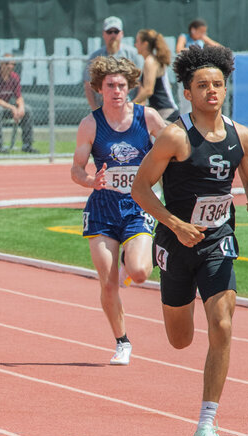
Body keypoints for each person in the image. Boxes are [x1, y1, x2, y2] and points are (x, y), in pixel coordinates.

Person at [131, 45, 248, 436]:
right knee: (180, 339)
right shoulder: (175, 135)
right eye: (203, 85)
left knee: (222, 323)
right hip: (176, 243)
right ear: (187, 92)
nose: (212, 90)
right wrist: (174, 223)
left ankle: (207, 423)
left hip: (218, 240)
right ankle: (179, 302)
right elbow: (141, 188)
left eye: (218, 84)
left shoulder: (241, 135)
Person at [70, 56, 166, 365]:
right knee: (107, 282)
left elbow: (175, 148)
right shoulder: (90, 124)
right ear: (100, 88)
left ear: (130, 87)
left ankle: (129, 262)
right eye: (110, 85)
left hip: (138, 205)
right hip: (103, 207)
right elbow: (76, 168)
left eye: (122, 85)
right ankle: (122, 341)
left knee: (138, 272)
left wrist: (162, 178)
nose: (116, 91)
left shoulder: (147, 117)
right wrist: (90, 181)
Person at [83, 16, 142, 110]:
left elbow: (141, 84)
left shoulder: (132, 54)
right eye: (109, 32)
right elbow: (88, 85)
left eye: (116, 31)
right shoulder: (95, 56)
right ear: (103, 34)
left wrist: (136, 107)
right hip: (103, 109)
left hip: (129, 107)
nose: (113, 35)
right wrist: (95, 109)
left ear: (122, 34)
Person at [175, 19, 223, 116]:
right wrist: (196, 51)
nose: (203, 34)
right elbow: (179, 49)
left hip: (200, 74)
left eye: (204, 32)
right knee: (186, 101)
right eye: (201, 32)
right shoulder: (184, 37)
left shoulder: (202, 40)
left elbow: (220, 48)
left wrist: (206, 39)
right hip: (187, 73)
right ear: (193, 30)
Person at [133, 29, 179, 122]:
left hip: (166, 113)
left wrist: (130, 105)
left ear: (145, 44)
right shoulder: (152, 60)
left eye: (137, 41)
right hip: (164, 113)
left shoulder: (150, 61)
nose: (135, 44)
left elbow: (148, 90)